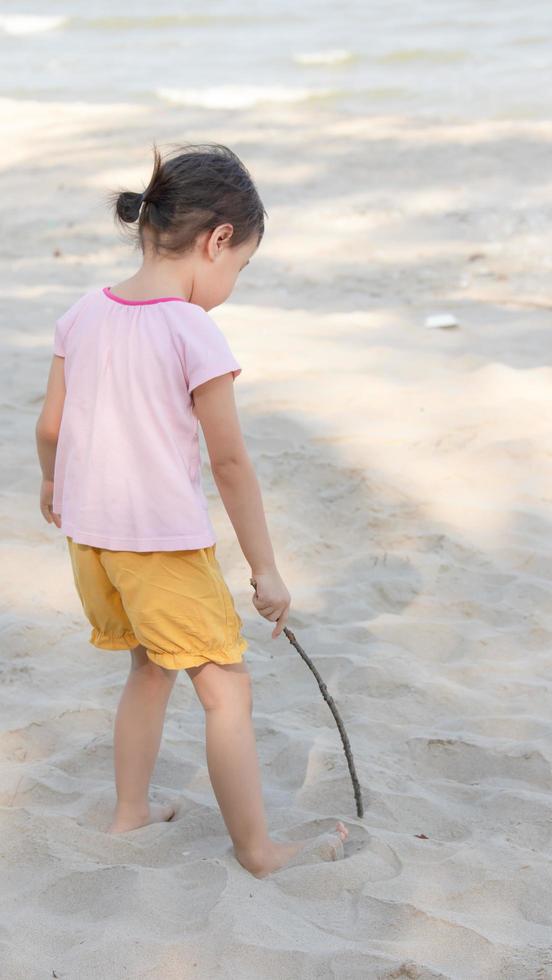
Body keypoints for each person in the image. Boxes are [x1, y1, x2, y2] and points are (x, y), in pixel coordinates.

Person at [35, 141, 348, 877]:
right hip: (161, 547)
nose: (231, 282)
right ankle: (260, 850)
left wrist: (52, 486)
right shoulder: (192, 330)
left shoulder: (81, 313)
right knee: (226, 690)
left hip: (92, 545)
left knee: (150, 666)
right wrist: (266, 569)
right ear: (216, 242)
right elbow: (231, 463)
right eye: (238, 267)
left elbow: (49, 427)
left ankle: (130, 811)